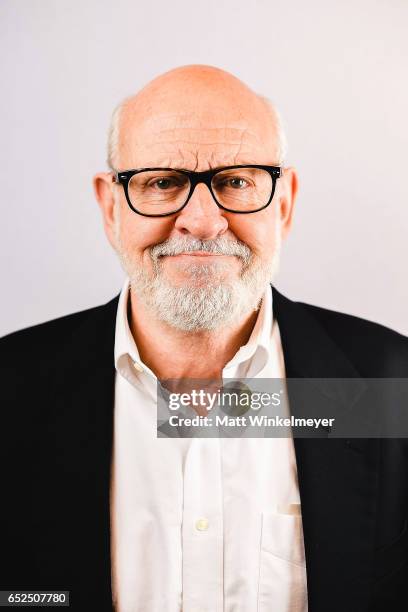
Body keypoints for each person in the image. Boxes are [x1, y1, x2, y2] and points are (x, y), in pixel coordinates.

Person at [1, 64, 407, 612]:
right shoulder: (11, 390)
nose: (202, 221)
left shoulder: (389, 384)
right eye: (162, 182)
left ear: (283, 204)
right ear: (110, 207)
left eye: (236, 181)